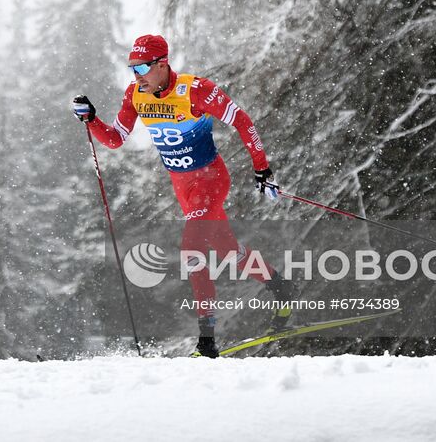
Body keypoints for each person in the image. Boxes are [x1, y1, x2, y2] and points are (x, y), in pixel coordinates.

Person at [71, 33, 296, 358]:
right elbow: (116, 138)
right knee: (227, 250)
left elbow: (244, 122)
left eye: (144, 68)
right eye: (132, 68)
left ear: (162, 64)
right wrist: (91, 120)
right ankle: (281, 286)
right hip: (183, 189)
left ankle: (207, 339)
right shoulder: (136, 94)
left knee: (192, 247)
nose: (137, 76)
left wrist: (262, 169)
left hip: (210, 180)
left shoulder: (194, 90)